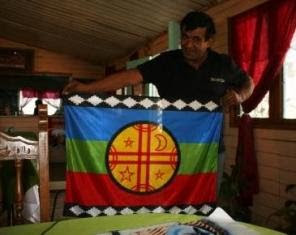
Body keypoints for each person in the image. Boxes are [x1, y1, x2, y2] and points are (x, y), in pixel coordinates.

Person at [63, 11, 254, 195]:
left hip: (210, 150)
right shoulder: (167, 62)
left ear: (209, 41)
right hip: (170, 148)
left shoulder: (223, 64)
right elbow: (129, 77)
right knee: (168, 199)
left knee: (206, 201)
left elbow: (248, 82)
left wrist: (240, 96)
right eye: (185, 37)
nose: (188, 44)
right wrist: (86, 88)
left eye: (196, 39)